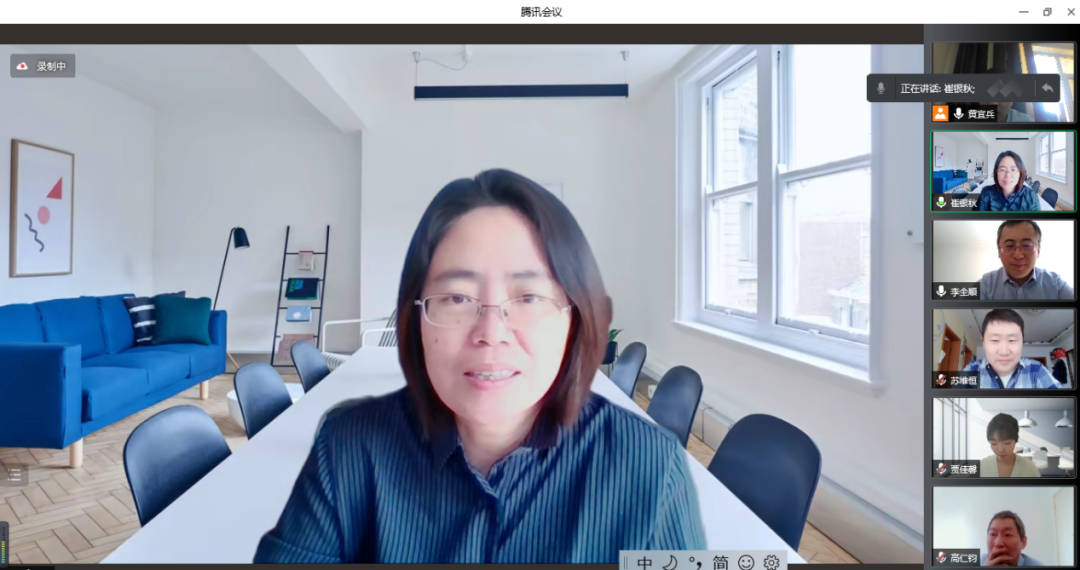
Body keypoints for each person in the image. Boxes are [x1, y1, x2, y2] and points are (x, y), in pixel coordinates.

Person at [253, 169, 706, 563]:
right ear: (415, 317)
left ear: (574, 317)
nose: (491, 331)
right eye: (456, 298)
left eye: (529, 297)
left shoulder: (650, 468)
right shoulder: (348, 447)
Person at [977, 220, 1075, 300]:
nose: (1018, 255)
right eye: (1009, 246)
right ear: (999, 251)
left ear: (1038, 250)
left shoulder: (1056, 284)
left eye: (1027, 246)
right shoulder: (985, 284)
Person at [960, 309, 1059, 389]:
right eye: (995, 340)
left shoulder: (1036, 370)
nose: (1004, 352)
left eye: (1012, 340)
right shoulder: (972, 370)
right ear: (983, 342)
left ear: (1022, 341)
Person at [974, 152, 1040, 212]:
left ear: (1020, 173)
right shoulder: (986, 193)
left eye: (1013, 170)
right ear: (996, 173)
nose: (1008, 175)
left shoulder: (1032, 196)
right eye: (1003, 170)